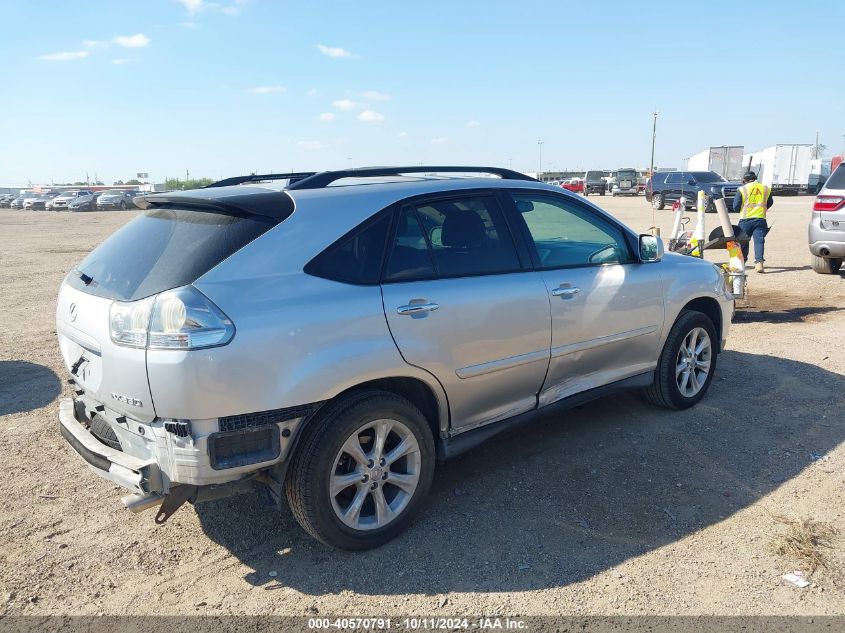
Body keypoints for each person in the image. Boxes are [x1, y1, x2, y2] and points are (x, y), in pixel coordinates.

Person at [733, 171, 774, 273]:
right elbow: (770, 202)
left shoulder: (742, 189)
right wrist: (762, 209)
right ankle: (759, 263)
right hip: (761, 219)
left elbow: (735, 206)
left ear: (744, 180)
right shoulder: (765, 188)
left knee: (743, 241)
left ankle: (742, 262)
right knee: (759, 241)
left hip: (745, 220)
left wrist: (741, 209)